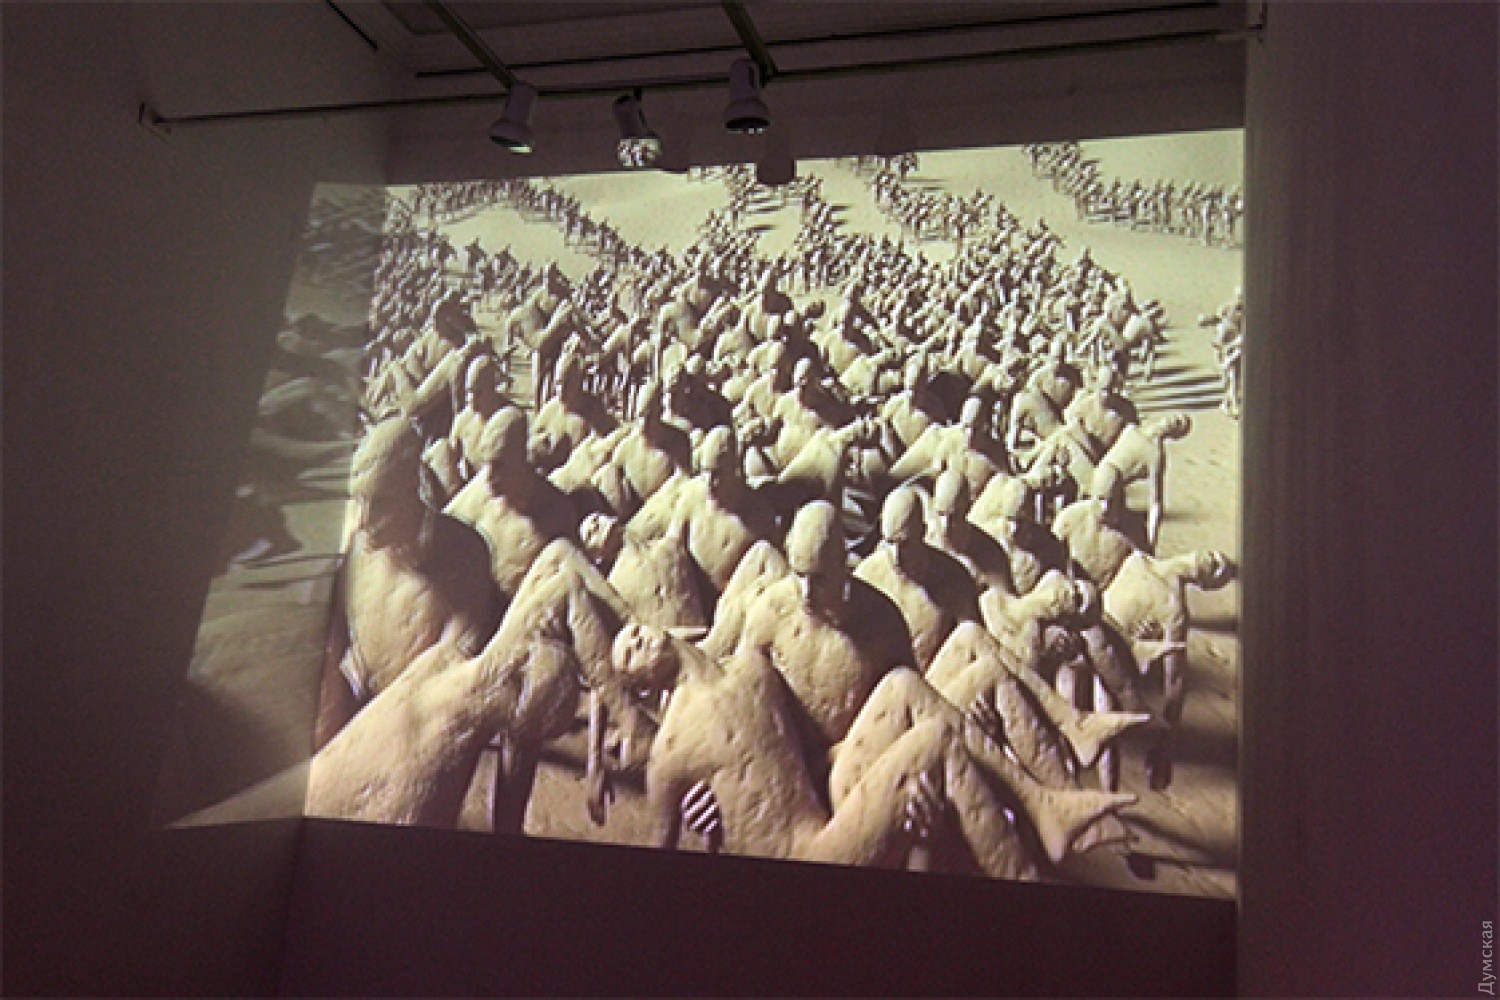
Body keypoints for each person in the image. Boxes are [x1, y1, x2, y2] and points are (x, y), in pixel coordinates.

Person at [611, 624, 1136, 878]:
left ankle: (1041, 804)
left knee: (903, 686)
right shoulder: (670, 751)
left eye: (633, 631)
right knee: (935, 739)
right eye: (629, 653)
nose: (637, 639)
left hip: (819, 792)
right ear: (641, 688)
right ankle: (1022, 880)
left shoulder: (748, 663)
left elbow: (784, 744)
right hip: (810, 854)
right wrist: (712, 838)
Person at [318, 418, 503, 747]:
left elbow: (454, 659)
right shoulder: (358, 544)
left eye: (381, 503)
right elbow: (334, 635)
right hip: (358, 707)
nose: (365, 520)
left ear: (410, 489)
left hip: (421, 724)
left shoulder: (464, 553)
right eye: (359, 500)